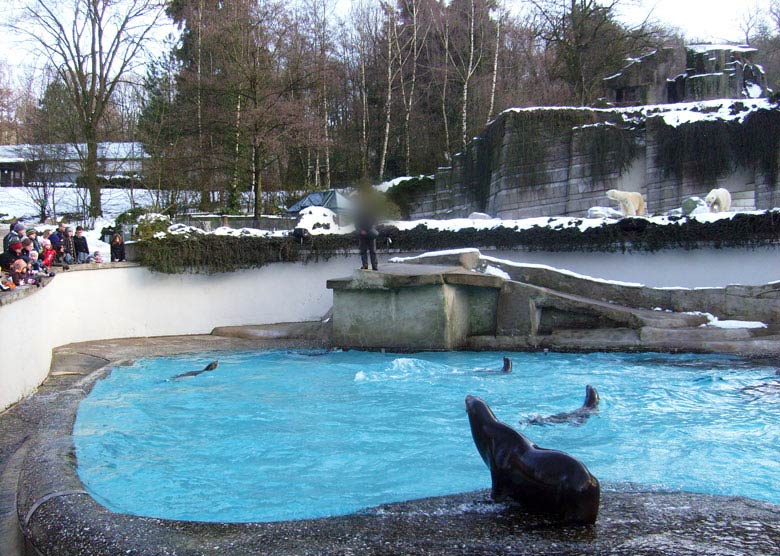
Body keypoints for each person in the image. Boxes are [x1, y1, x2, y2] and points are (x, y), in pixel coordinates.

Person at [355, 194, 379, 271]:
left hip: (369, 233)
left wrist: (365, 230)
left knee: (372, 251)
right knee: (364, 251)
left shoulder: (370, 212)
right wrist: (361, 231)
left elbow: (374, 222)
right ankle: (366, 265)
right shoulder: (359, 213)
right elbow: (356, 224)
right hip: (364, 234)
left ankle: (373, 266)